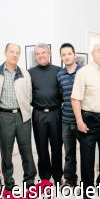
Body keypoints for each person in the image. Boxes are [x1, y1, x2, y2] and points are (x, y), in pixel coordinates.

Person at [0, 43, 36, 190]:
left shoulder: (24, 73)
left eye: (17, 52)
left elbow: (29, 95)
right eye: (12, 52)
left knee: (27, 151)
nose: (15, 55)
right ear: (5, 53)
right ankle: (9, 184)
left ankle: (30, 182)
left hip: (23, 117)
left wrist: (25, 111)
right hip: (3, 117)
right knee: (6, 153)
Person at [71, 43, 100, 199]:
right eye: (99, 50)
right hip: (89, 119)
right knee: (87, 156)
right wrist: (79, 121)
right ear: (92, 53)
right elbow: (75, 99)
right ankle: (87, 188)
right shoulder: (83, 72)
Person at [28, 43, 63, 184]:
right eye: (38, 54)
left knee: (56, 148)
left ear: (49, 54)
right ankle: (45, 178)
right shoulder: (30, 72)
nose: (41, 55)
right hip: (38, 114)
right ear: (35, 56)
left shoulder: (58, 71)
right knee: (41, 148)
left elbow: (63, 92)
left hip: (56, 114)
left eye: (43, 52)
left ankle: (58, 177)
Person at [57, 43, 83, 187]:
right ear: (61, 57)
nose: (67, 57)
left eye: (69, 53)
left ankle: (87, 181)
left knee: (86, 153)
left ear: (75, 54)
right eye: (63, 54)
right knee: (69, 154)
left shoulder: (84, 71)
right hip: (66, 121)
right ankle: (70, 180)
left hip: (83, 121)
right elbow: (61, 96)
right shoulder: (60, 74)